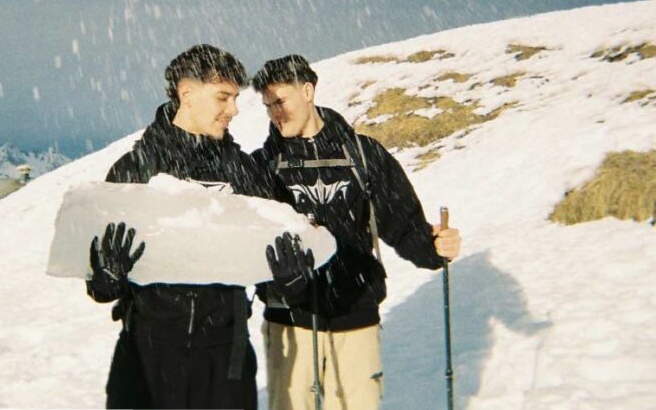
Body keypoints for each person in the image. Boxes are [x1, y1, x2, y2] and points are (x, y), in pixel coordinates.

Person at [251, 54, 462, 410]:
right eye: (268, 105)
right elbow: (250, 244)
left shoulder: (364, 155)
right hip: (289, 320)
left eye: (281, 101)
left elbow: (403, 222)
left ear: (307, 90)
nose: (275, 112)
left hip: (355, 314)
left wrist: (433, 246)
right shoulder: (261, 165)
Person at [87, 44, 279, 410]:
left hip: (226, 359)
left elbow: (271, 272)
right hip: (145, 357)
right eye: (223, 97)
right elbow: (97, 286)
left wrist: (288, 280)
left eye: (235, 98)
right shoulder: (133, 171)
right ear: (186, 93)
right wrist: (106, 275)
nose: (234, 110)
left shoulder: (245, 172)